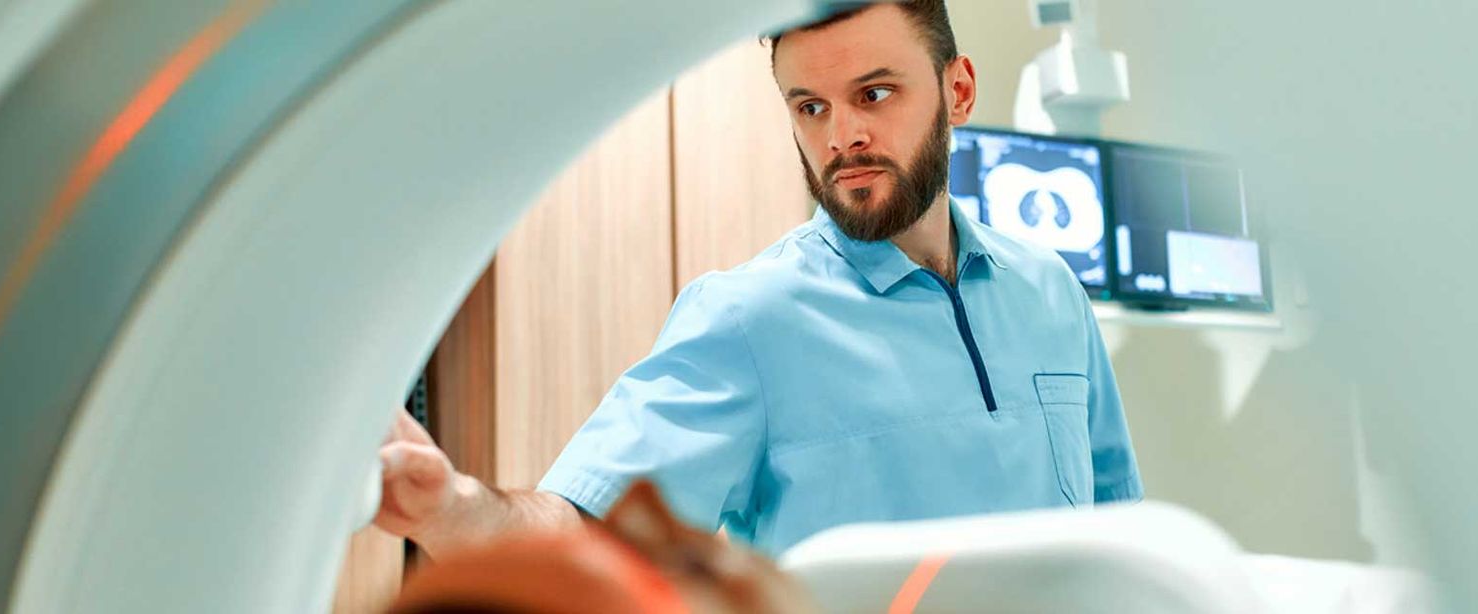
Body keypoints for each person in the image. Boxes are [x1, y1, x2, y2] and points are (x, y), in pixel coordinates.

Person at [375, 0, 1141, 559]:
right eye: (811, 107)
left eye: (874, 94)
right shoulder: (750, 318)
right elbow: (589, 532)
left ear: (958, 91)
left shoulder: (1051, 293)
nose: (842, 136)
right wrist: (453, 508)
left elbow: (1123, 534)